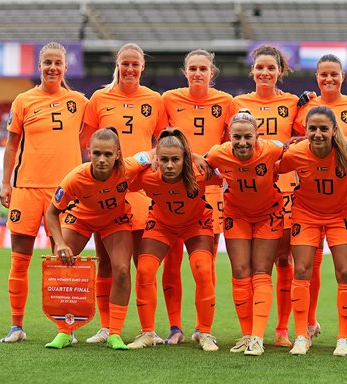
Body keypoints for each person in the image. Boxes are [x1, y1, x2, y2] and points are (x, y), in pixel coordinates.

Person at [0, 42, 88, 343]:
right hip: (26, 188)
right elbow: (12, 146)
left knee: (65, 262)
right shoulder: (23, 100)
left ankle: (66, 328)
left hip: (65, 191)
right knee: (19, 260)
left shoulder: (80, 101)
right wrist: (5, 183)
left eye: (58, 63)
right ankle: (16, 326)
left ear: (65, 67)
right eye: (47, 62)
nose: (52, 67)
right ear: (39, 66)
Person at [81, 43, 168, 344]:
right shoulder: (99, 98)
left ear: (143, 67)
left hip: (140, 192)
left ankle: (148, 330)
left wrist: (146, 160)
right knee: (105, 262)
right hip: (106, 193)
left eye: (135, 64)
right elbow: (88, 143)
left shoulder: (154, 100)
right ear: (117, 65)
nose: (130, 69)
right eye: (125, 63)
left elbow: (164, 143)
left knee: (142, 265)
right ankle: (107, 328)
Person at [44, 127, 153, 349]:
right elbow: (51, 212)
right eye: (97, 153)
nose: (102, 159)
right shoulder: (75, 178)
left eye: (108, 154)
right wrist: (61, 244)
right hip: (81, 219)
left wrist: (193, 156)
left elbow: (154, 152)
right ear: (88, 151)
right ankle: (65, 332)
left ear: (118, 154)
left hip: (115, 221)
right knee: (61, 263)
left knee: (122, 270)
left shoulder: (129, 166)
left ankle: (114, 333)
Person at [295, 54, 347, 346]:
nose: (328, 79)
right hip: (307, 200)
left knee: (345, 266)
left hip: (344, 201)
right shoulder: (305, 107)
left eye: (334, 74)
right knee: (308, 265)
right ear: (316, 77)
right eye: (323, 74)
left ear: (342, 76)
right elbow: (294, 144)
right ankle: (308, 324)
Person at [277, 106, 347, 356]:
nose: (317, 134)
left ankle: (343, 336)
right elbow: (271, 168)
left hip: (341, 215)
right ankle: (302, 335)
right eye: (312, 129)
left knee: (345, 271)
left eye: (323, 129)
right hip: (306, 214)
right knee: (302, 270)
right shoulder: (296, 153)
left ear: (334, 130)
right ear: (305, 130)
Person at [230, 45, 302, 347]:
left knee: (284, 259)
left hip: (285, 188)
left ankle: (282, 329)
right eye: (259, 67)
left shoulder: (293, 103)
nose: (265, 73)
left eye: (271, 68)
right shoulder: (238, 103)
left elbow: (303, 137)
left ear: (279, 72)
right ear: (252, 71)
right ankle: (250, 331)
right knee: (246, 265)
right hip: (248, 191)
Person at [161, 49, 233, 343]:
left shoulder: (226, 102)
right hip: (172, 188)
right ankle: (175, 327)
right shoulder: (169, 99)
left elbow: (231, 143)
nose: (198, 73)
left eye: (203, 68)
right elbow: (161, 139)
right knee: (172, 259)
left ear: (211, 72)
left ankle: (205, 328)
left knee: (206, 263)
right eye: (193, 68)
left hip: (210, 191)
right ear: (185, 72)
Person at [127, 128, 220, 352]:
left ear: (184, 160)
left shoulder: (200, 173)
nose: (169, 165)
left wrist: (201, 157)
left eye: (175, 160)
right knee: (145, 270)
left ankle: (205, 333)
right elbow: (124, 179)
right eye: (164, 159)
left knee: (203, 269)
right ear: (157, 160)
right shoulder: (148, 177)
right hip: (162, 225)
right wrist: (147, 157)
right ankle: (148, 333)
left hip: (196, 223)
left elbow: (230, 173)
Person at [204, 112, 285, 356]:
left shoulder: (270, 149)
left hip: (268, 214)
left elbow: (291, 147)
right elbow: (203, 163)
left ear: (257, 136)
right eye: (236, 137)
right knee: (240, 272)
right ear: (229, 137)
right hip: (236, 214)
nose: (242, 142)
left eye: (247, 137)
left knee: (261, 272)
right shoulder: (219, 153)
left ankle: (258, 338)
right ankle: (247, 334)